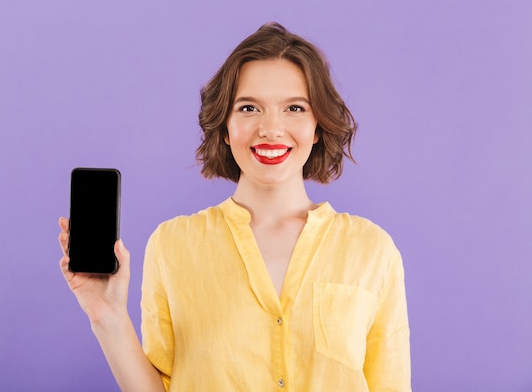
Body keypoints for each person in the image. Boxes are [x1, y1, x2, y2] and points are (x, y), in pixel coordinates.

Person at [58, 22, 411, 392]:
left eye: (294, 107)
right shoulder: (173, 244)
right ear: (225, 128)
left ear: (317, 125)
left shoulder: (372, 249)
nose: (271, 128)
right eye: (248, 108)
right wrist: (107, 315)